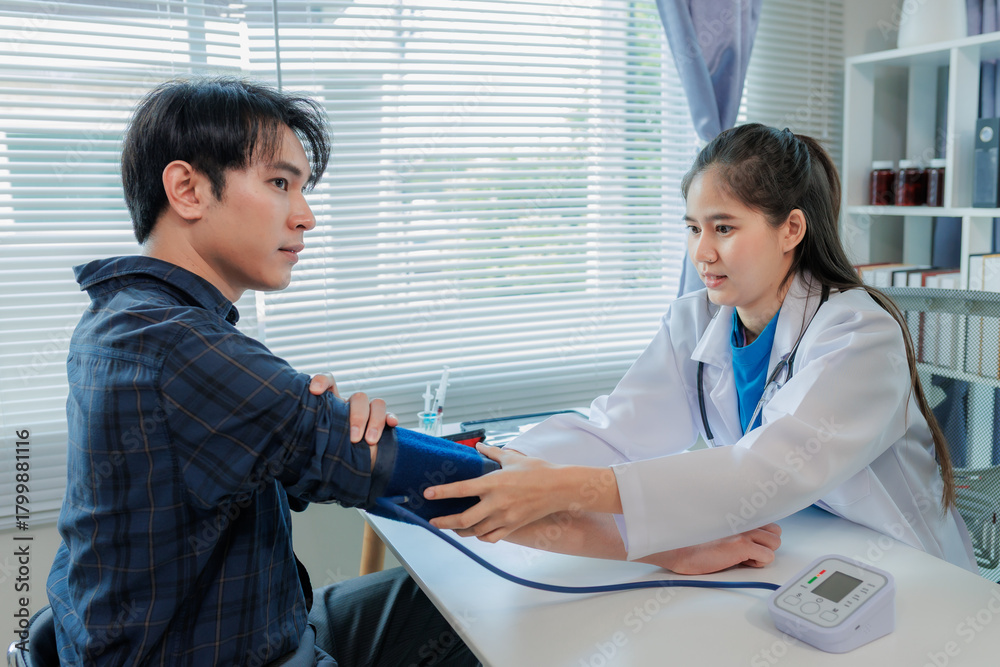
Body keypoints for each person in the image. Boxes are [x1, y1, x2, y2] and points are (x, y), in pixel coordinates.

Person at [45, 77, 478, 667]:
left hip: (253, 626)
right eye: (280, 183)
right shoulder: (175, 342)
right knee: (490, 606)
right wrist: (580, 489)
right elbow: (402, 474)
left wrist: (305, 430)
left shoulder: (125, 318)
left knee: (451, 600)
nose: (306, 218)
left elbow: (273, 456)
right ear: (188, 189)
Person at [424, 123, 978, 574]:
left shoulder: (859, 334)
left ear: (791, 230)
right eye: (693, 228)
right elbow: (617, 431)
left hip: (904, 567)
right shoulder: (696, 319)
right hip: (796, 550)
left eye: (724, 228)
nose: (702, 253)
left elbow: (764, 471)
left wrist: (560, 487)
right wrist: (491, 466)